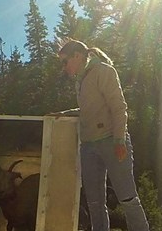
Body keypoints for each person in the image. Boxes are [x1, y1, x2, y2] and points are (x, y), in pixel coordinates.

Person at [56, 39, 149, 231]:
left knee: (127, 197)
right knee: (94, 202)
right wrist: (66, 114)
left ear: (78, 56)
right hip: (89, 146)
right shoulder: (80, 80)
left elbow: (119, 107)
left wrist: (120, 140)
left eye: (65, 61)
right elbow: (88, 109)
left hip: (112, 141)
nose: (63, 67)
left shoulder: (104, 71)